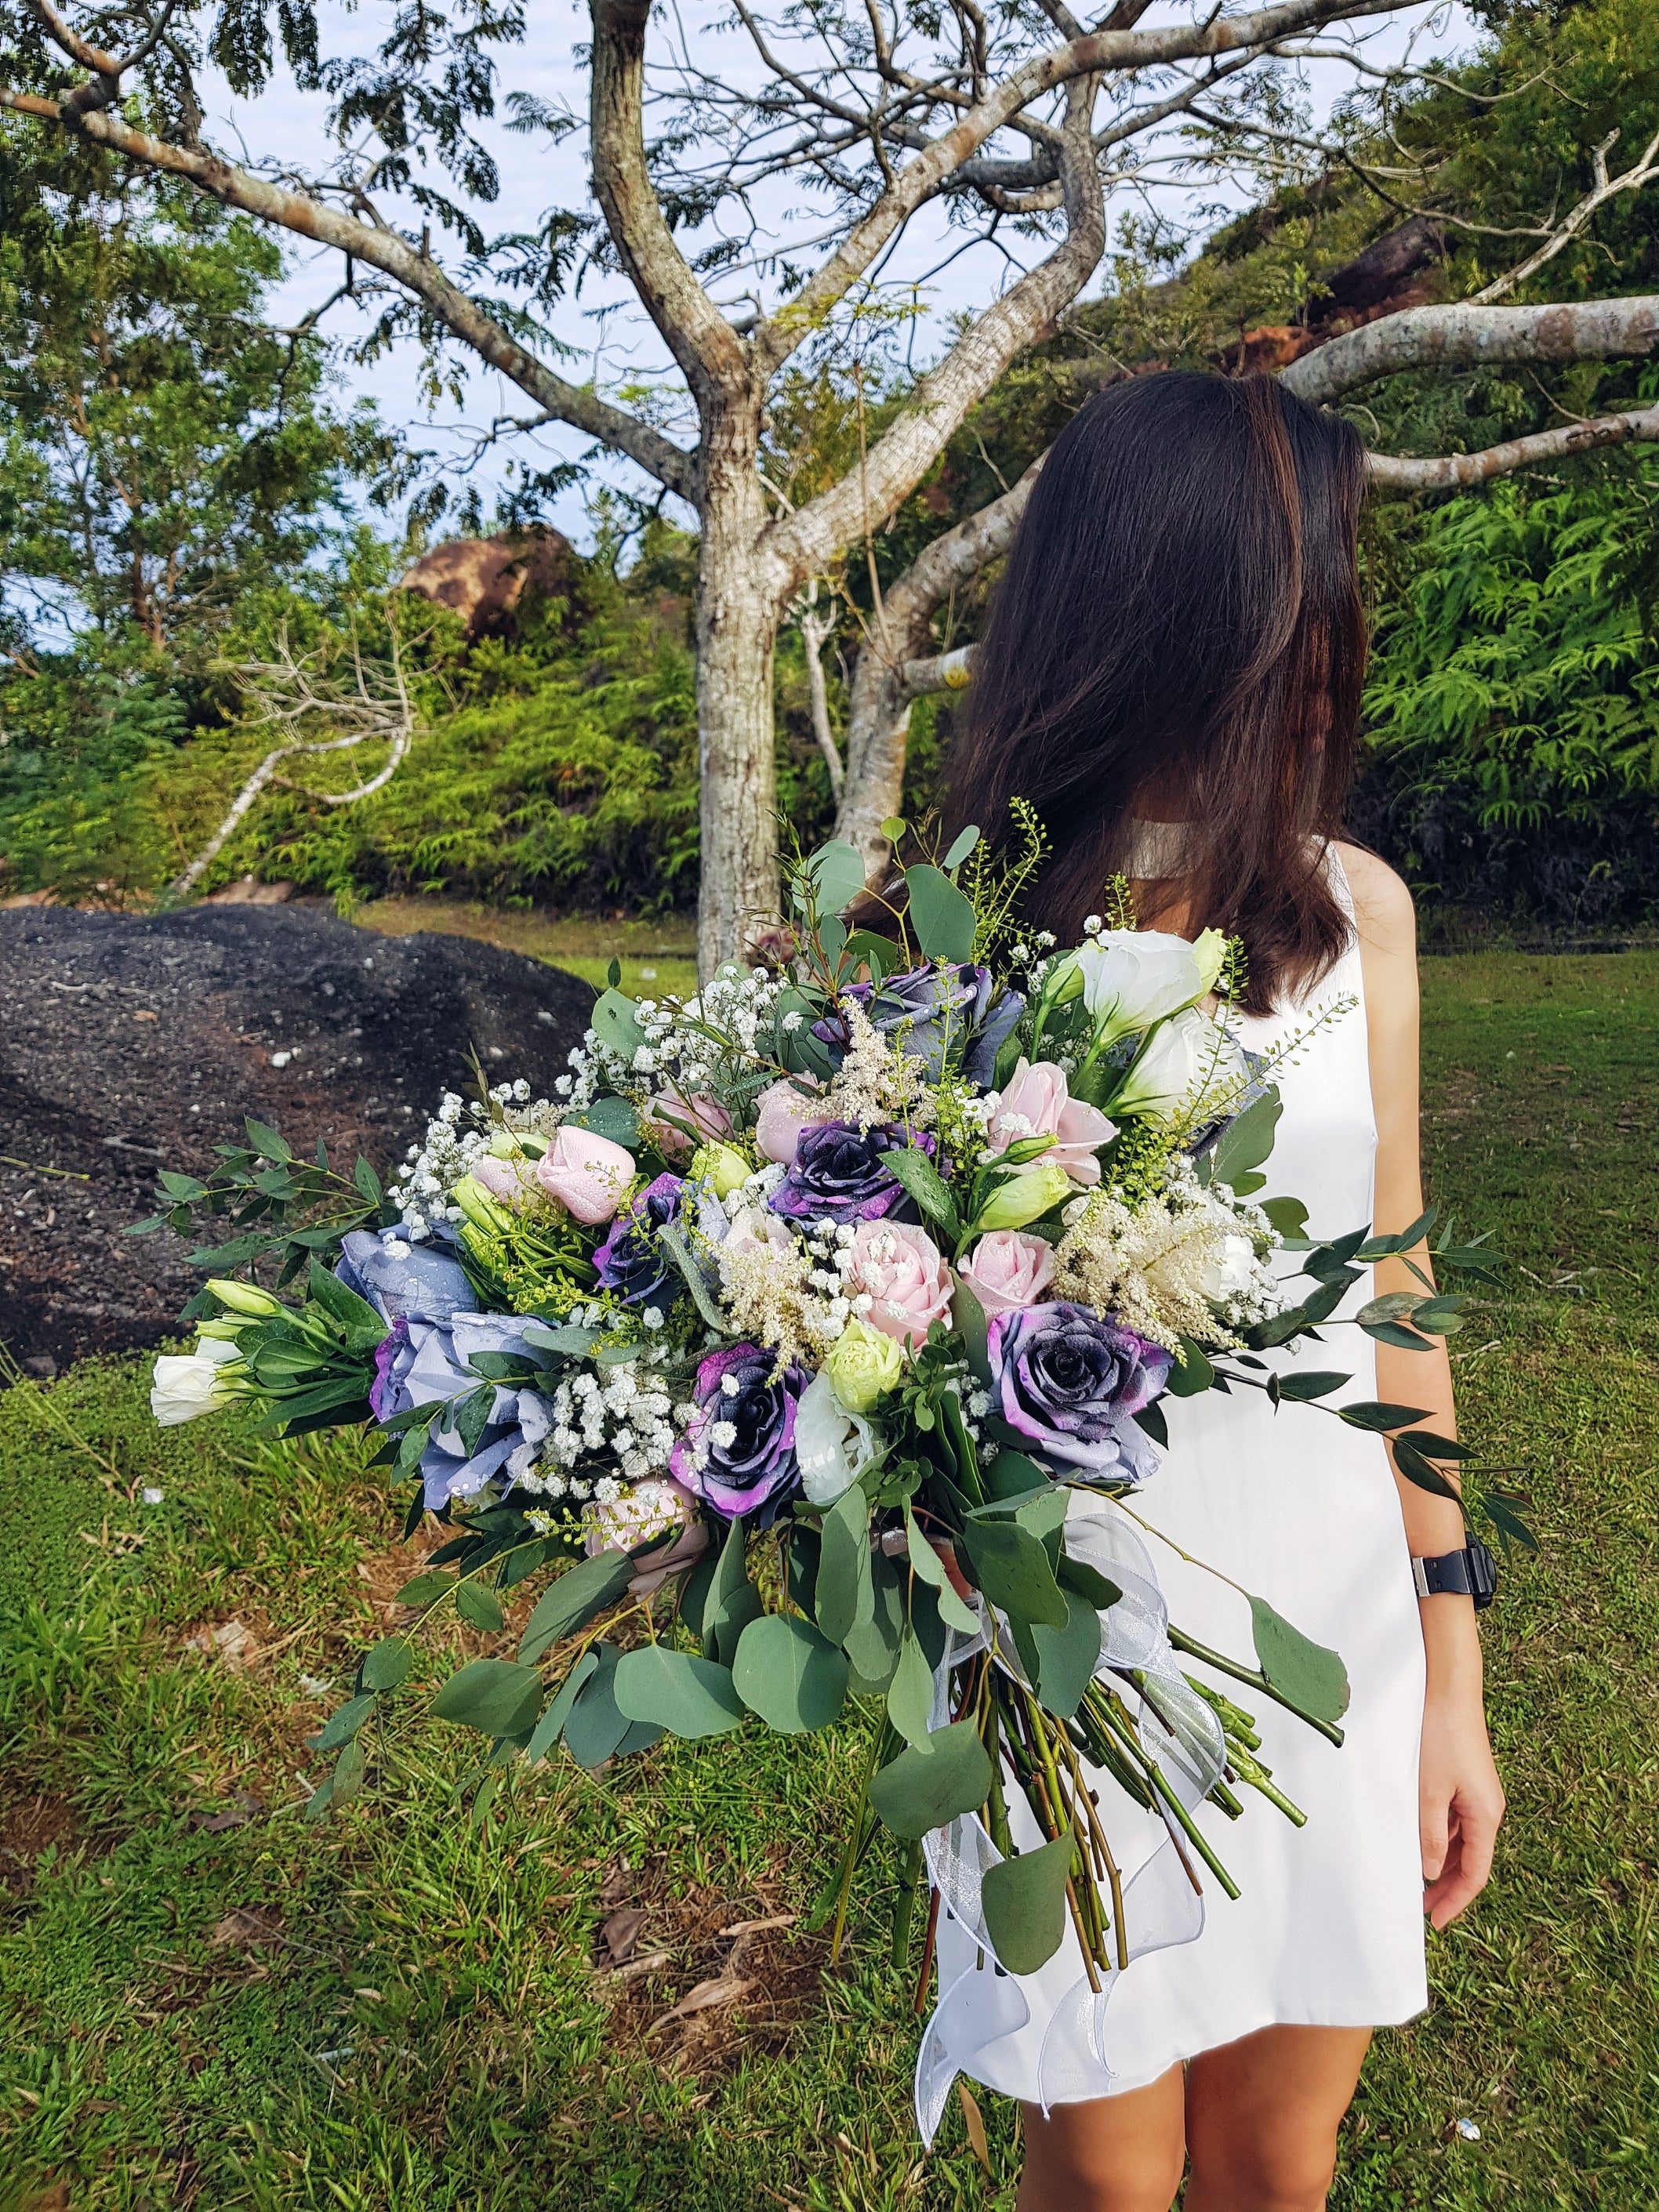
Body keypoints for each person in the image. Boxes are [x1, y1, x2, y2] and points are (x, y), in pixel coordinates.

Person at [942, 372, 1505, 2212]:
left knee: (1278, 2157)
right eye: (1313, 588)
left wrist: (1450, 1669)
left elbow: (1393, 1286)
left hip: (1329, 1631)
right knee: (1102, 2172)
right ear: (1190, 615)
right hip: (1070, 1660)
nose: (1343, 638)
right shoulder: (960, 947)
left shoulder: (1358, 918)